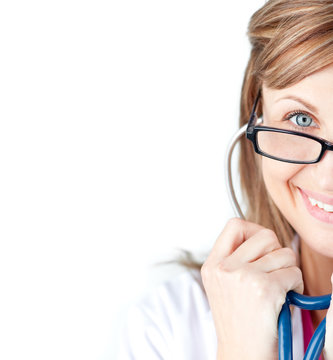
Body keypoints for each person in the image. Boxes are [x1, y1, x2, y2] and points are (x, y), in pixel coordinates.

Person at [117, 0, 333, 359]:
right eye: (300, 119)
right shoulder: (168, 325)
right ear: (257, 121)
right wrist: (241, 350)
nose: (328, 178)